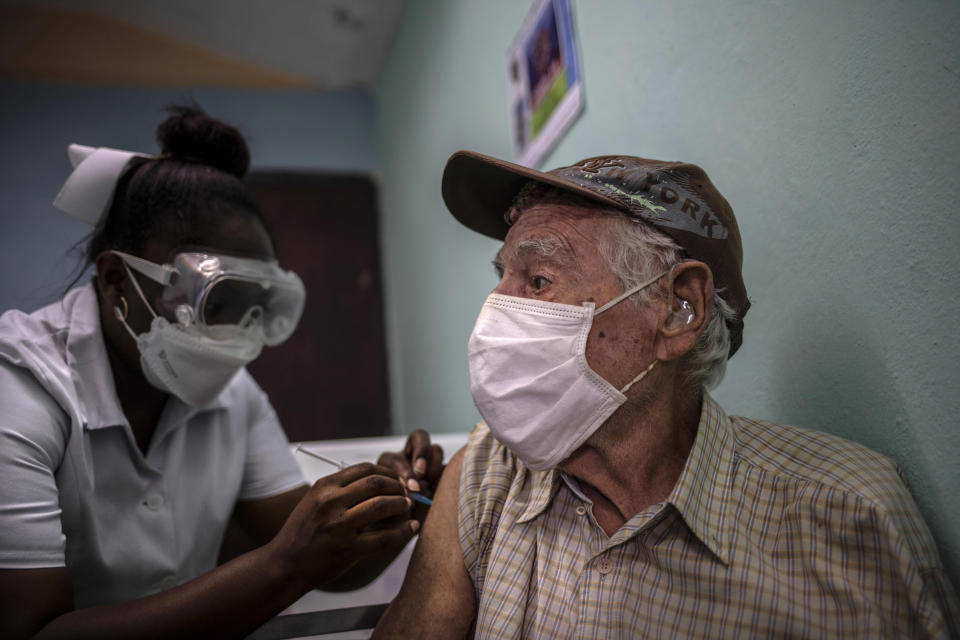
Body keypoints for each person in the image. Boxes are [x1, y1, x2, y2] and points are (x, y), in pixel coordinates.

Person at [374, 151, 960, 638]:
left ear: (680, 309)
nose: (495, 312)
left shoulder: (850, 520)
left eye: (539, 280)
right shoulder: (487, 472)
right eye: (501, 276)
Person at [0, 105, 443, 639]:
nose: (237, 335)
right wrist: (286, 562)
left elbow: (331, 565)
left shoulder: (234, 394)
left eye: (258, 305)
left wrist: (385, 513)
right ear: (117, 280)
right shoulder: (19, 388)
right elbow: (30, 631)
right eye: (216, 301)